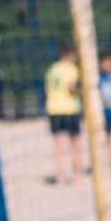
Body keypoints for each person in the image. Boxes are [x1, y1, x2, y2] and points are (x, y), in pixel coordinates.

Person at [43, 44, 83, 184]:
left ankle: (59, 177)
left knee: (58, 146)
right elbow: (71, 88)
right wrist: (83, 95)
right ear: (68, 55)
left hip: (54, 109)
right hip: (70, 109)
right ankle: (76, 175)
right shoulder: (71, 68)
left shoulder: (51, 70)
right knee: (75, 143)